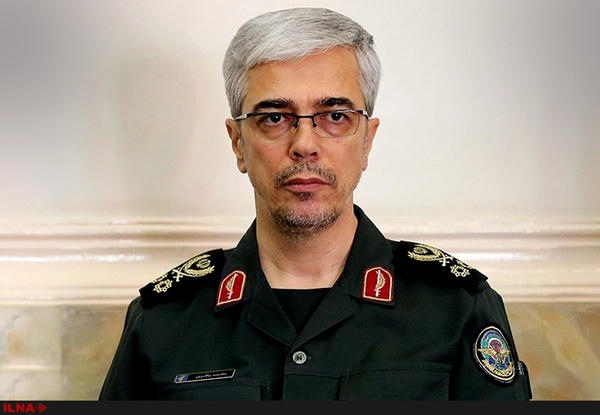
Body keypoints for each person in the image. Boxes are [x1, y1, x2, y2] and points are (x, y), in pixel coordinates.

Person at [99, 7, 532, 400]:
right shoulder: (163, 320)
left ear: (367, 141)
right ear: (238, 143)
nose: (305, 144)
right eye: (274, 118)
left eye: (335, 116)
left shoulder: (455, 309)